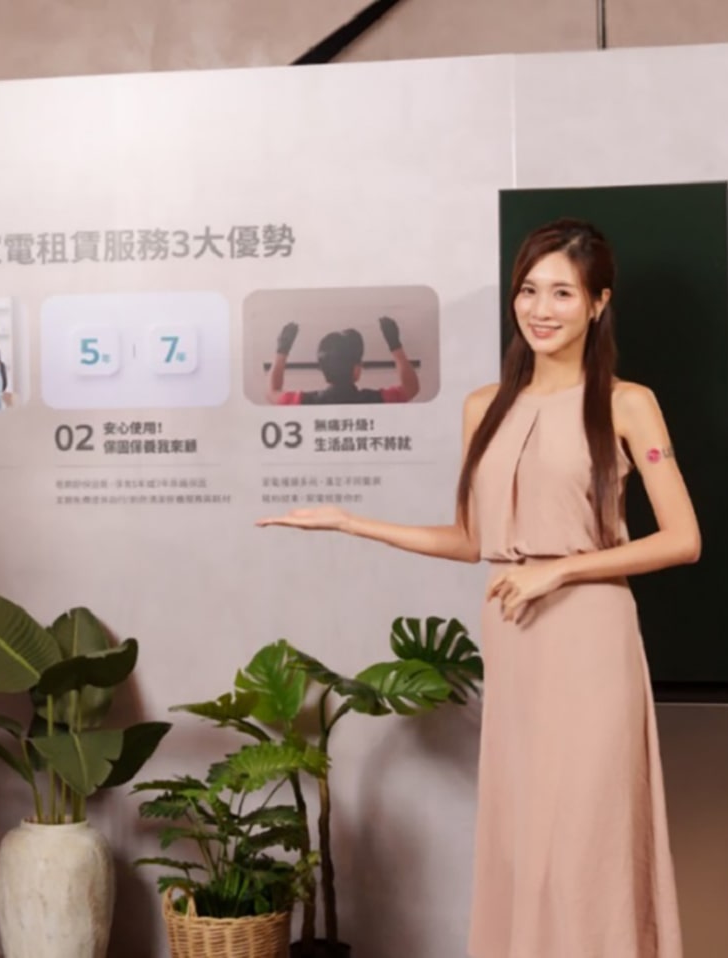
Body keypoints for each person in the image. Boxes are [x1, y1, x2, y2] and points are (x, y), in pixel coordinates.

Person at [258, 219, 697, 958]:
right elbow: (470, 541)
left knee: (588, 835)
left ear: (598, 304)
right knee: (524, 834)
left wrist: (560, 567)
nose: (541, 308)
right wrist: (349, 522)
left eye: (563, 292)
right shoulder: (482, 406)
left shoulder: (627, 403)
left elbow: (682, 539)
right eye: (529, 290)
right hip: (515, 636)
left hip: (590, 637)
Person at [266, 315, 419, 404]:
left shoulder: (304, 401)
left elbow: (272, 393)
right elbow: (411, 388)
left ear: (322, 369)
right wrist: (395, 346)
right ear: (356, 370)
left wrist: (282, 350)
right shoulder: (375, 399)